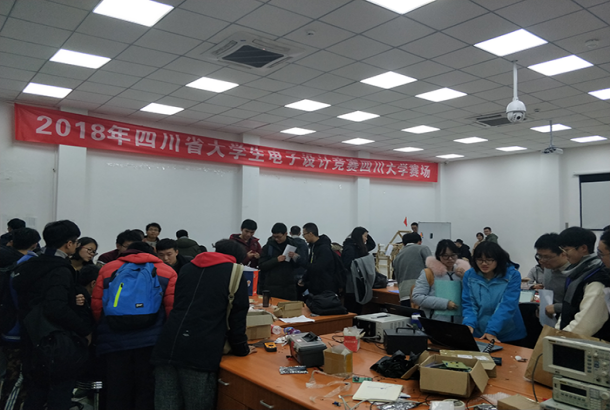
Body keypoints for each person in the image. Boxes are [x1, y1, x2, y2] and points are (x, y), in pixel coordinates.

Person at [151, 239, 254, 409]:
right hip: (200, 349)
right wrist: (242, 349)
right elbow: (237, 318)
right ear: (237, 258)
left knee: (166, 404)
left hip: (168, 343)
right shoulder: (234, 272)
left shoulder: (187, 268)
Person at [12, 220, 93, 410]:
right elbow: (55, 307)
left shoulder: (29, 265)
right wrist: (84, 329)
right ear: (69, 244)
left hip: (31, 336)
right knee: (60, 392)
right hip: (55, 341)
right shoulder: (60, 270)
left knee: (36, 392)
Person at [92, 241, 177, 410]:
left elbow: (96, 305)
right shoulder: (167, 271)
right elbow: (171, 308)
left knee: (117, 387)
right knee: (145, 387)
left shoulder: (108, 268)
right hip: (150, 340)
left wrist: (102, 327)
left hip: (113, 339)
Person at [0, 228, 40, 410]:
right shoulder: (28, 264)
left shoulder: (8, 262)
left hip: (7, 325)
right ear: (35, 244)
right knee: (18, 377)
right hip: (20, 329)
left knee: (11, 374)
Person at [462, 241, 526, 343]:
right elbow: (469, 304)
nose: (484, 263)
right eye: (479, 260)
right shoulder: (469, 275)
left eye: (489, 260)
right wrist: (469, 324)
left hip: (508, 332)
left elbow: (507, 305)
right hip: (479, 332)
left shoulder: (512, 275)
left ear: (498, 259)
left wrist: (492, 330)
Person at [556, 227, 610, 339]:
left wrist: (558, 340)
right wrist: (556, 332)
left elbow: (586, 325)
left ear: (583, 248)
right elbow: (567, 310)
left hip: (587, 342)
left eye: (566, 250)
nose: (564, 254)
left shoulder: (598, 278)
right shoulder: (578, 272)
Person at [411, 240, 470, 322]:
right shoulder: (429, 273)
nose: (450, 259)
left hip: (459, 323)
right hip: (435, 322)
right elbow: (417, 297)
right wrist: (445, 303)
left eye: (453, 255)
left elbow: (470, 297)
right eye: (445, 256)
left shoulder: (463, 273)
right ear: (438, 256)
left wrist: (464, 278)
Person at [531, 233, 570, 319]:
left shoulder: (574, 273)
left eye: (547, 257)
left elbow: (579, 305)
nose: (541, 261)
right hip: (551, 317)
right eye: (539, 256)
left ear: (563, 253)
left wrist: (556, 308)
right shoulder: (549, 267)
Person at [258, 223, 301, 301]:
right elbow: (261, 265)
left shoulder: (293, 245)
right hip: (272, 286)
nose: (277, 239)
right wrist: (276, 260)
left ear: (285, 234)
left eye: (279, 237)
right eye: (274, 237)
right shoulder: (268, 247)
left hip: (289, 287)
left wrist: (295, 257)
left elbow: (298, 265)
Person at [341, 227, 376, 314]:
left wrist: (365, 233)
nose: (366, 239)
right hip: (351, 282)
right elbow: (347, 264)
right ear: (359, 236)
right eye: (365, 236)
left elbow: (372, 244)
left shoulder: (360, 247)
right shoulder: (350, 247)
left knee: (358, 306)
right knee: (351, 306)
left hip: (358, 280)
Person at [393, 233, 432, 307]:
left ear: (403, 244)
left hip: (403, 294)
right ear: (420, 242)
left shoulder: (398, 255)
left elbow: (396, 276)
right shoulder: (423, 248)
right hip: (420, 292)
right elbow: (432, 268)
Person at [299, 223, 338, 296]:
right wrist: (304, 278)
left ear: (310, 234)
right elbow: (311, 265)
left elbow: (318, 268)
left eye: (304, 234)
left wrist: (299, 260)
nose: (304, 237)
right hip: (315, 286)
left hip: (324, 288)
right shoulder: (313, 247)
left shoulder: (324, 249)